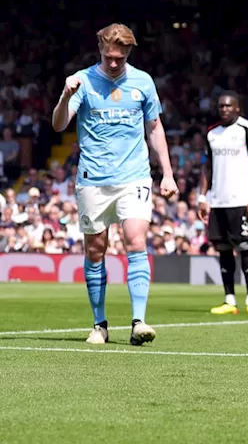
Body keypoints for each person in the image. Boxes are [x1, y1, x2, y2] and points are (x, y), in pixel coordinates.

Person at [51, 23, 177, 346]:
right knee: (96, 250)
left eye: (120, 58)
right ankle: (100, 325)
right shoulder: (83, 81)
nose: (114, 63)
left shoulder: (143, 82)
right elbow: (58, 124)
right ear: (100, 51)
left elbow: (154, 128)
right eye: (109, 57)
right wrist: (66, 95)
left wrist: (168, 172)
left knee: (136, 240)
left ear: (129, 54)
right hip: (93, 178)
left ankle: (139, 322)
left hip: (133, 176)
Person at [200, 93, 248, 315]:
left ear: (238, 108)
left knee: (245, 247)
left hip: (241, 199)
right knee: (223, 249)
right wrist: (203, 197)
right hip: (218, 200)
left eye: (228, 106)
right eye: (221, 106)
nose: (224, 109)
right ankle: (229, 300)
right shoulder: (212, 133)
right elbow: (207, 167)